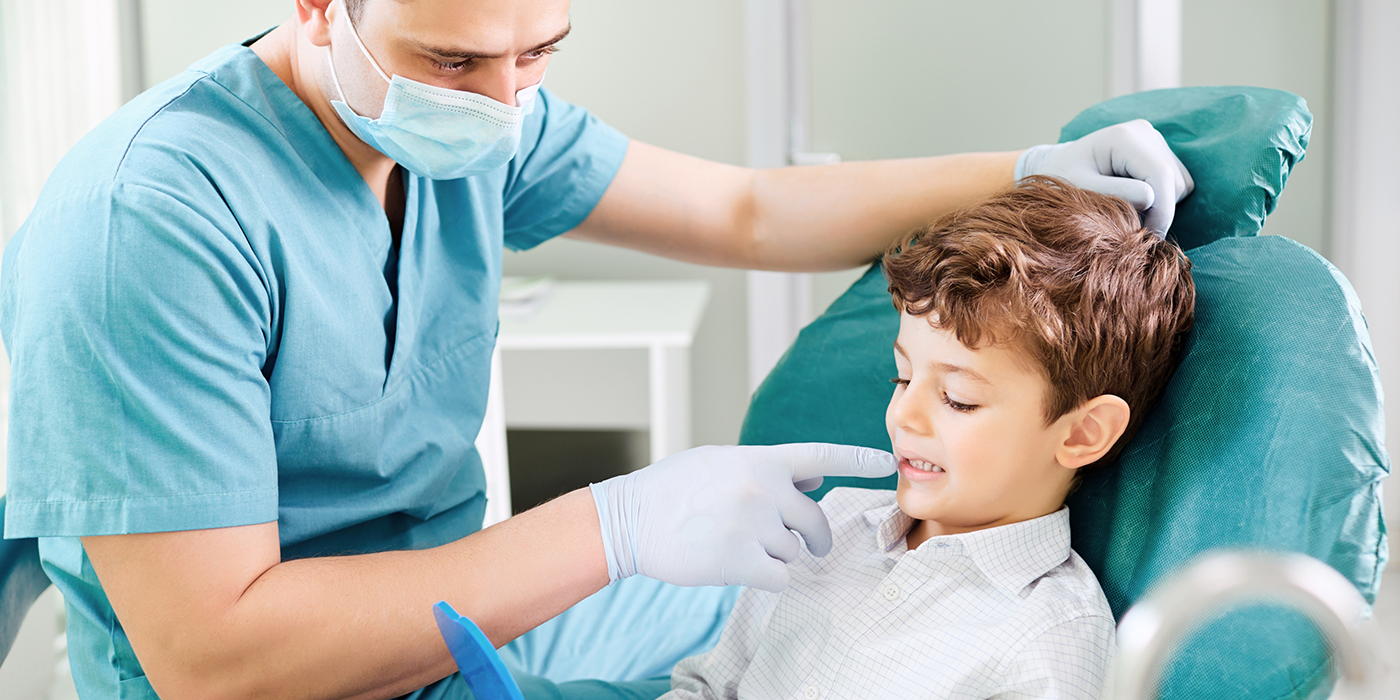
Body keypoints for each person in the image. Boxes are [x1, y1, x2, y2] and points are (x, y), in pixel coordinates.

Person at [0, 0, 1192, 697]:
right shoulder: (146, 223)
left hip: (469, 620)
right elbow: (215, 658)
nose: (503, 104)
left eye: (540, 54)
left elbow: (745, 210)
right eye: (456, 62)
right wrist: (614, 525)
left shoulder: (472, 120)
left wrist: (1021, 170)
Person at [664, 177, 1196, 699]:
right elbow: (706, 687)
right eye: (903, 376)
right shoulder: (831, 526)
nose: (903, 416)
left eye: (958, 398)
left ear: (1083, 432)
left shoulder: (1050, 638)